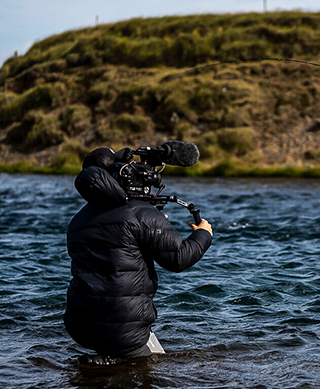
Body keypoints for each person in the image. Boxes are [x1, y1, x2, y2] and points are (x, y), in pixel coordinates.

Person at [64, 147, 213, 361]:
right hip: (125, 330)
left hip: (80, 326)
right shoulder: (140, 213)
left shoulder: (79, 219)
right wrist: (203, 235)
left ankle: (100, 368)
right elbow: (179, 258)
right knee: (154, 369)